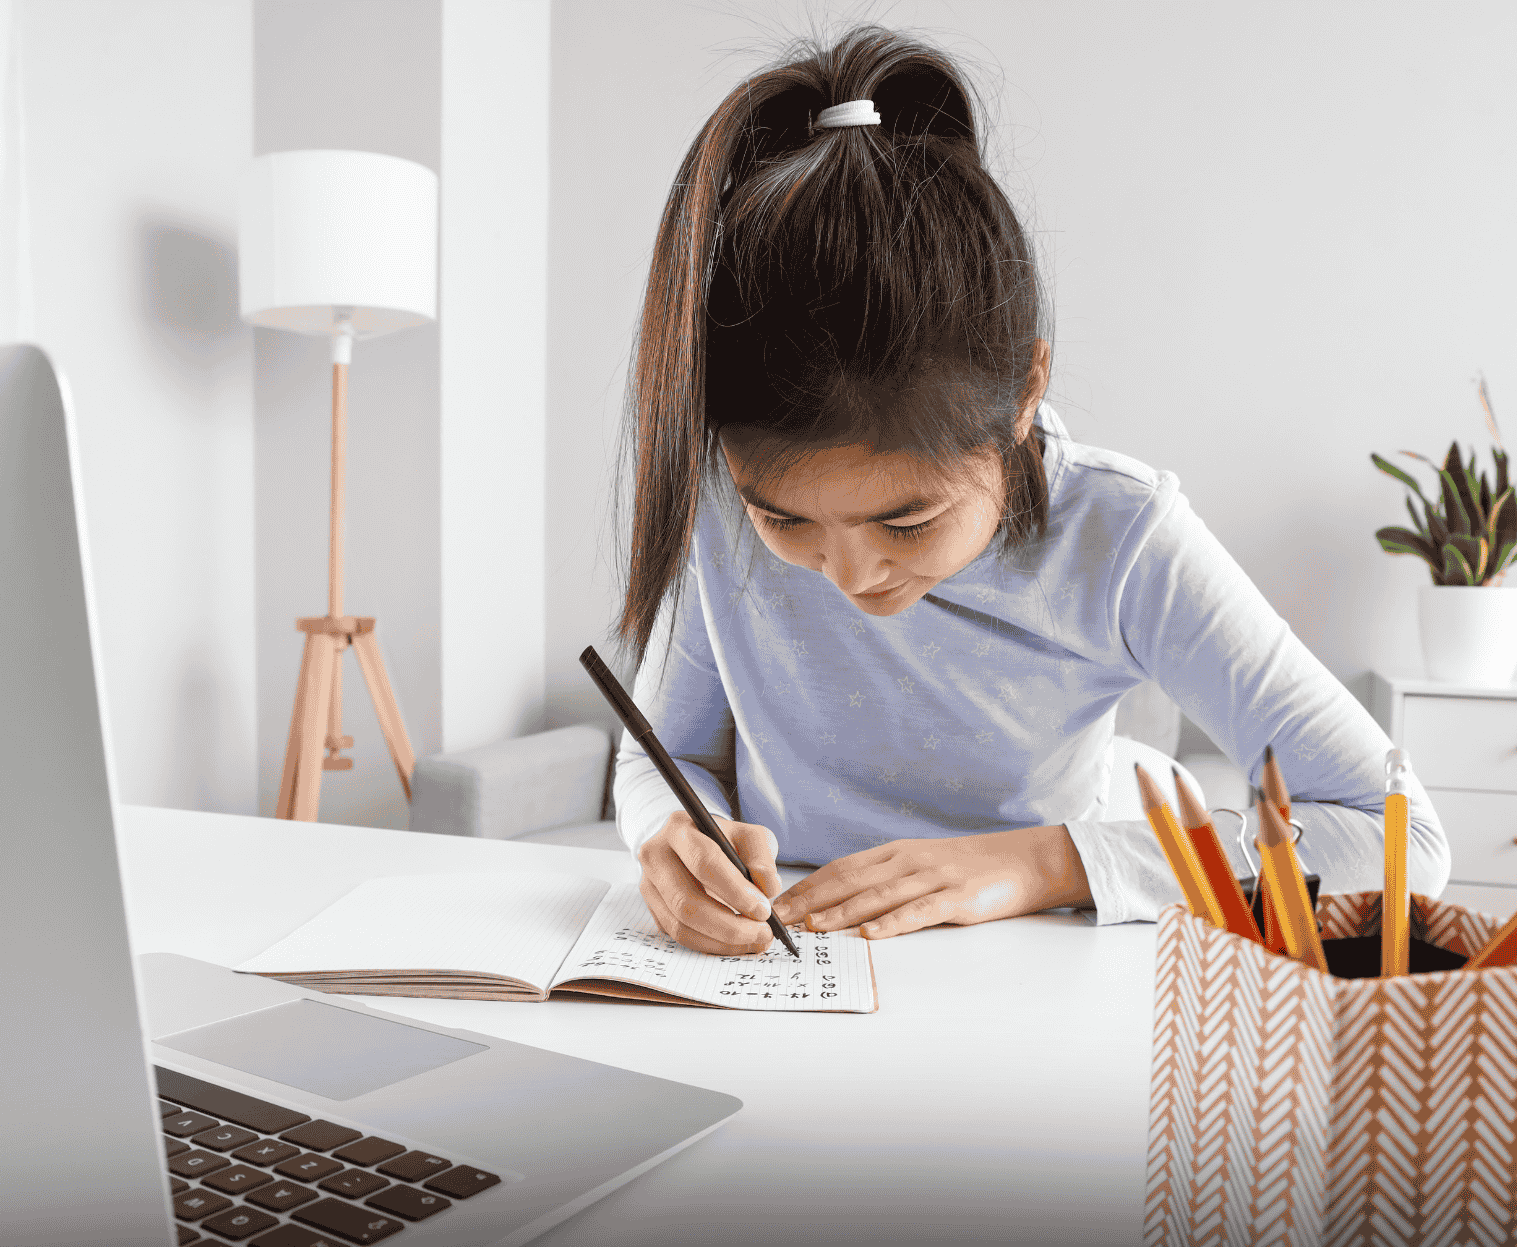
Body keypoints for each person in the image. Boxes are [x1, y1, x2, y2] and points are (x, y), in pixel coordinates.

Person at [610, 24, 1447, 956]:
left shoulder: (1121, 534)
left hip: (1051, 960)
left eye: (907, 518)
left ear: (1023, 397)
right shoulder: (725, 514)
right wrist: (673, 837)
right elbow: (668, 757)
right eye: (786, 519)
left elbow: (1398, 832)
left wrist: (1045, 864)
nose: (847, 573)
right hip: (796, 966)